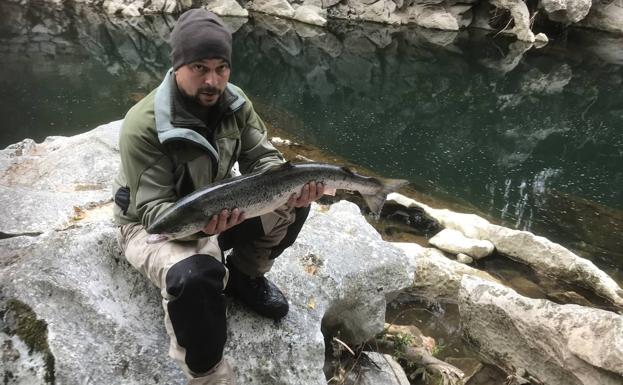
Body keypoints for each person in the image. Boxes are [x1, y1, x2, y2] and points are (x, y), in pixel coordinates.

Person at [112, 8, 324, 385]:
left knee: (292, 201)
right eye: (199, 67)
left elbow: (264, 159)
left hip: (219, 208)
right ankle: (208, 373)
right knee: (195, 277)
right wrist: (203, 234)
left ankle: (244, 277)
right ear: (177, 65)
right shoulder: (144, 126)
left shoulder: (236, 103)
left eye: (221, 68)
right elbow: (152, 209)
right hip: (157, 225)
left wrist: (288, 184)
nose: (213, 80)